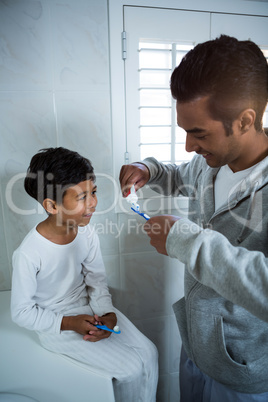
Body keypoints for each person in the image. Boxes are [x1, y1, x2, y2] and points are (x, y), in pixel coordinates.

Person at [119, 35, 268, 401]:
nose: (189, 146)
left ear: (245, 120)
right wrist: (148, 169)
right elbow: (182, 174)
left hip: (242, 374)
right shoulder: (210, 164)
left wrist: (188, 242)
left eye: (198, 133)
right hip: (197, 352)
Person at [11, 147, 158, 402]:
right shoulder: (29, 253)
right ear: (52, 205)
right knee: (131, 369)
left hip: (91, 309)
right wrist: (69, 323)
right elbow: (21, 312)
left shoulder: (86, 232)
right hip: (56, 323)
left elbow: (96, 280)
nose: (92, 203)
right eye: (81, 197)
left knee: (150, 352)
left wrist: (109, 315)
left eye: (93, 192)